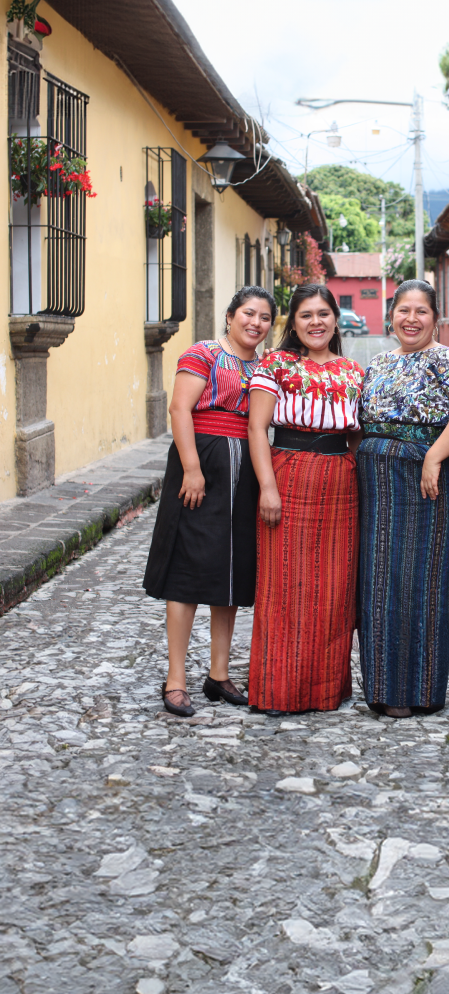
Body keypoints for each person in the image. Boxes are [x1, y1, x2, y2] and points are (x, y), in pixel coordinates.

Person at [143, 286, 276, 716]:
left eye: (265, 318)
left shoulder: (266, 364)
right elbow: (181, 410)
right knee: (188, 566)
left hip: (245, 469)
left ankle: (219, 674)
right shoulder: (204, 353)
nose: (255, 323)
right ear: (230, 316)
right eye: (248, 314)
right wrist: (192, 469)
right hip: (203, 463)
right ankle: (175, 679)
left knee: (232, 569)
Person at [357, 279, 449, 717]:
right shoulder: (377, 364)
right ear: (391, 315)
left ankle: (418, 690)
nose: (412, 319)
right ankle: (380, 688)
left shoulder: (447, 360)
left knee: (416, 580)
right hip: (373, 480)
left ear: (434, 316)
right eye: (404, 310)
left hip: (418, 477)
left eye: (421, 311)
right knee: (375, 581)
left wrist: (434, 457)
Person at [246, 284, 364, 716]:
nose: (316, 322)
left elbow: (356, 432)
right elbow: (257, 428)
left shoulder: (354, 371)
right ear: (293, 324)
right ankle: (279, 688)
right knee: (285, 586)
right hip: (289, 474)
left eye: (323, 314)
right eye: (306, 315)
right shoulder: (275, 364)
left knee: (334, 590)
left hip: (339, 483)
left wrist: (351, 469)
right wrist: (268, 487)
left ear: (335, 319)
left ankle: (324, 689)